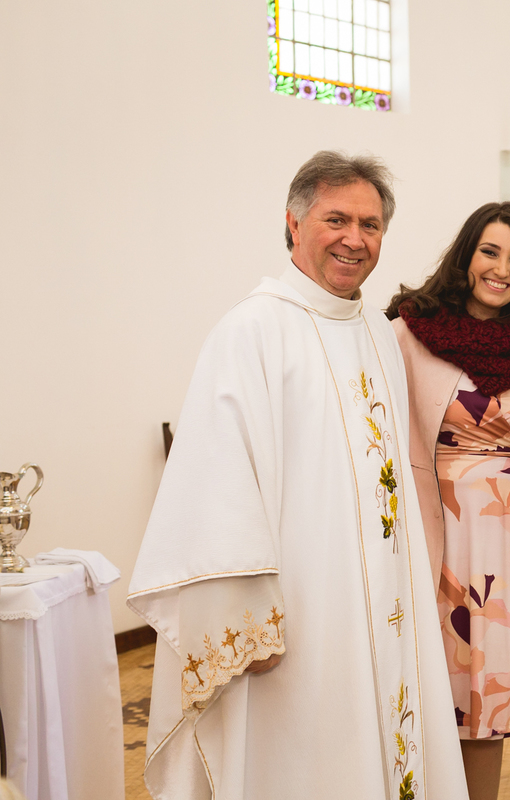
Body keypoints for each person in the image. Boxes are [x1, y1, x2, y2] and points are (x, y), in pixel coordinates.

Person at [127, 151, 467, 800]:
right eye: (336, 219)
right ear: (293, 224)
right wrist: (250, 619)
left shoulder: (374, 329)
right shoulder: (250, 331)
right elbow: (214, 486)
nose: (354, 239)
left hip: (382, 606)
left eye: (370, 225)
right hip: (298, 618)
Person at [387, 202, 510, 800]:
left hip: (507, 546)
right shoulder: (407, 332)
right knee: (431, 691)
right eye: (490, 251)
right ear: (466, 256)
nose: (502, 269)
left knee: (488, 707)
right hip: (439, 536)